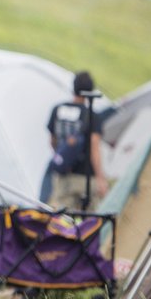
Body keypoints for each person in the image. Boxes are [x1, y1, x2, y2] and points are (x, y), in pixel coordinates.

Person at [47, 71, 108, 211]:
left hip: (62, 177)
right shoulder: (91, 115)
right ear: (91, 90)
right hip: (85, 179)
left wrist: (64, 158)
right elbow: (94, 149)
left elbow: (52, 141)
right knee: (89, 224)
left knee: (58, 220)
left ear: (73, 87)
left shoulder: (57, 110)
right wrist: (101, 178)